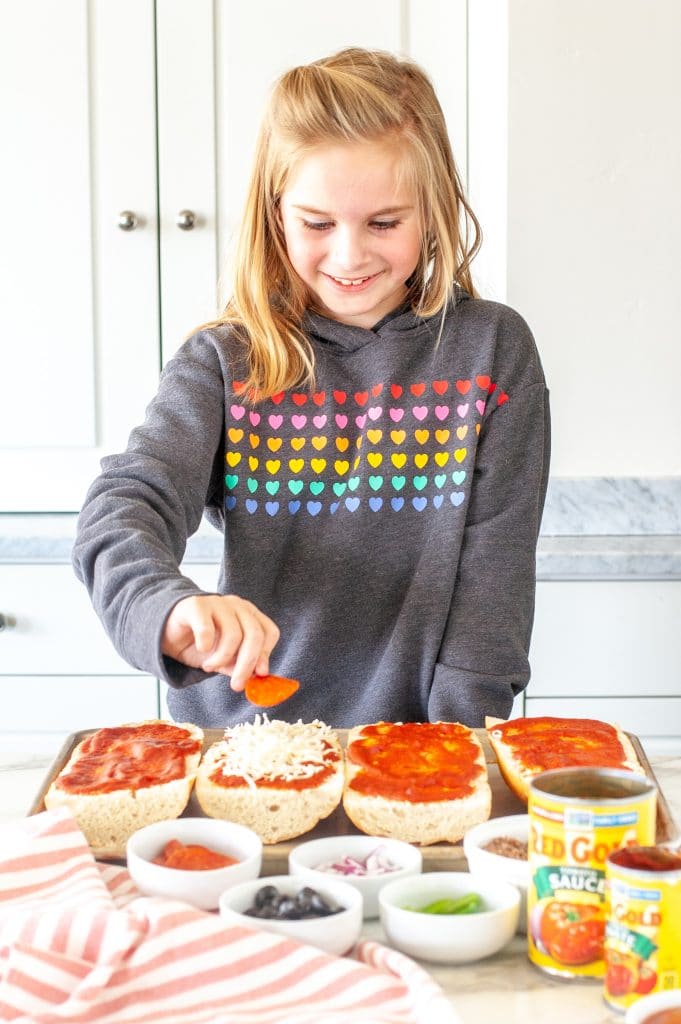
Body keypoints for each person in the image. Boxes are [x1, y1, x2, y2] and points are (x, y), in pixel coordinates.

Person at [72, 47, 550, 730]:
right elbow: (123, 509)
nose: (350, 254)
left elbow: (493, 591)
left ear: (436, 209)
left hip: (425, 741)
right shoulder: (224, 361)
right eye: (317, 223)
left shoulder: (492, 352)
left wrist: (449, 744)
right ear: (275, 215)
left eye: (385, 222)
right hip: (244, 743)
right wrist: (168, 607)